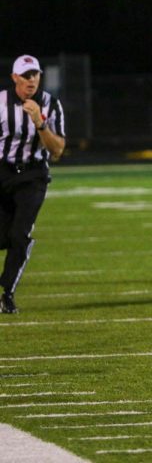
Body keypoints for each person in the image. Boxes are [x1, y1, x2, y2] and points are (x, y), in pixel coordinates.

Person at [0, 55, 66, 314]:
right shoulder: (1, 102)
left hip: (33, 175)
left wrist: (40, 122)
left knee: (19, 235)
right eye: (26, 75)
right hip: (3, 172)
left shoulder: (50, 103)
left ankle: (7, 294)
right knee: (4, 237)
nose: (31, 80)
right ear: (14, 77)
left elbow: (58, 150)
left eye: (35, 74)